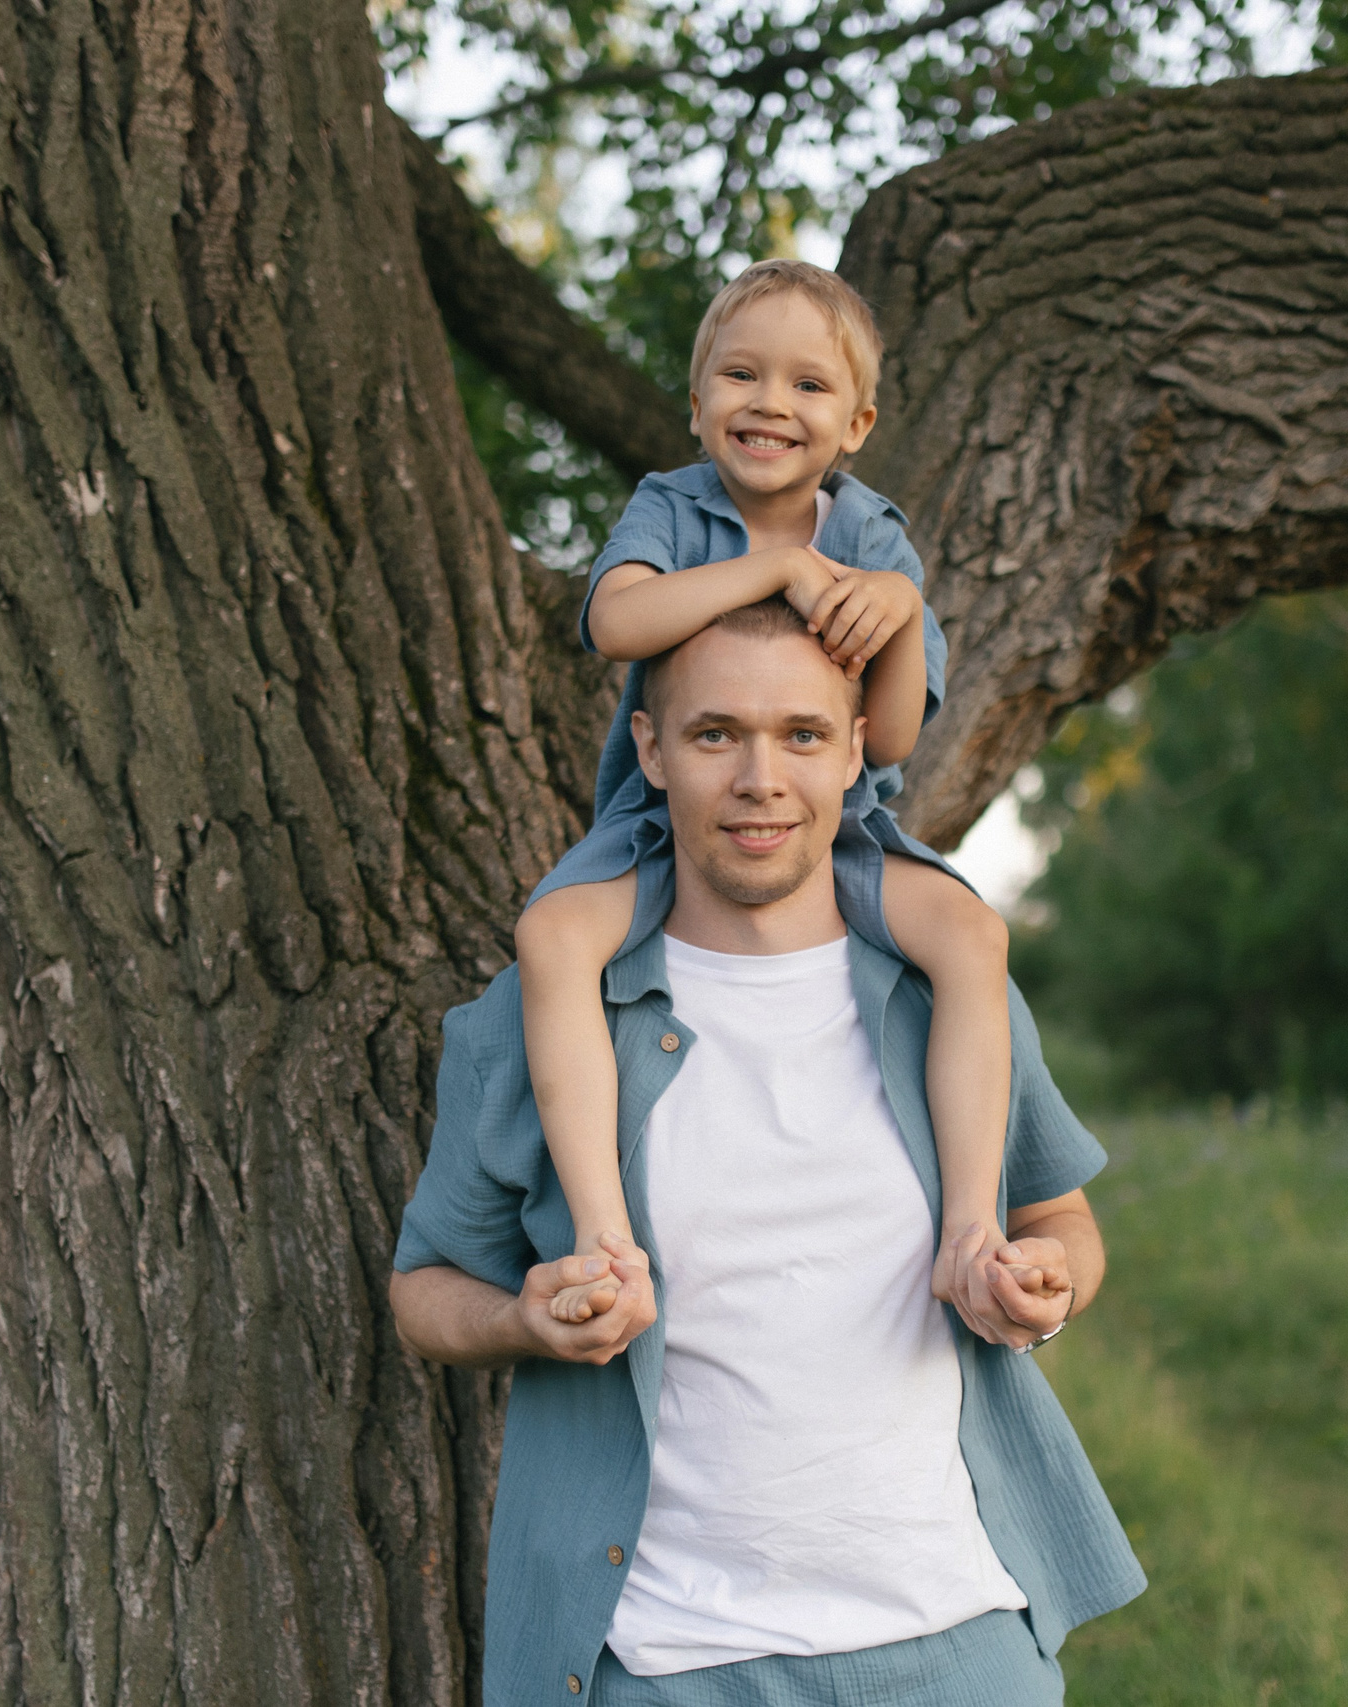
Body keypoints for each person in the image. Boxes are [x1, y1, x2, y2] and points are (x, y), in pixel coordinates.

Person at [388, 603, 1145, 1705]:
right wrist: (521, 1320)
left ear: (851, 750)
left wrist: (1047, 1287)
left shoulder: (947, 997)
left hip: (959, 1643)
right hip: (660, 1663)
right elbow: (423, 1289)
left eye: (800, 734)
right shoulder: (536, 1021)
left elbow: (1059, 1223)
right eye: (713, 735)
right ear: (649, 751)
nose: (759, 779)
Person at [511, 259, 1018, 1326]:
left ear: (857, 422)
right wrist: (773, 573)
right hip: (665, 832)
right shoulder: (672, 505)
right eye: (740, 376)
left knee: (969, 939)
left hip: (837, 833)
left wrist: (891, 607)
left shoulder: (873, 539)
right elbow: (616, 622)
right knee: (555, 937)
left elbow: (887, 735)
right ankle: (606, 1238)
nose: (770, 404)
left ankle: (972, 1223)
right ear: (697, 409)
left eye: (807, 385)